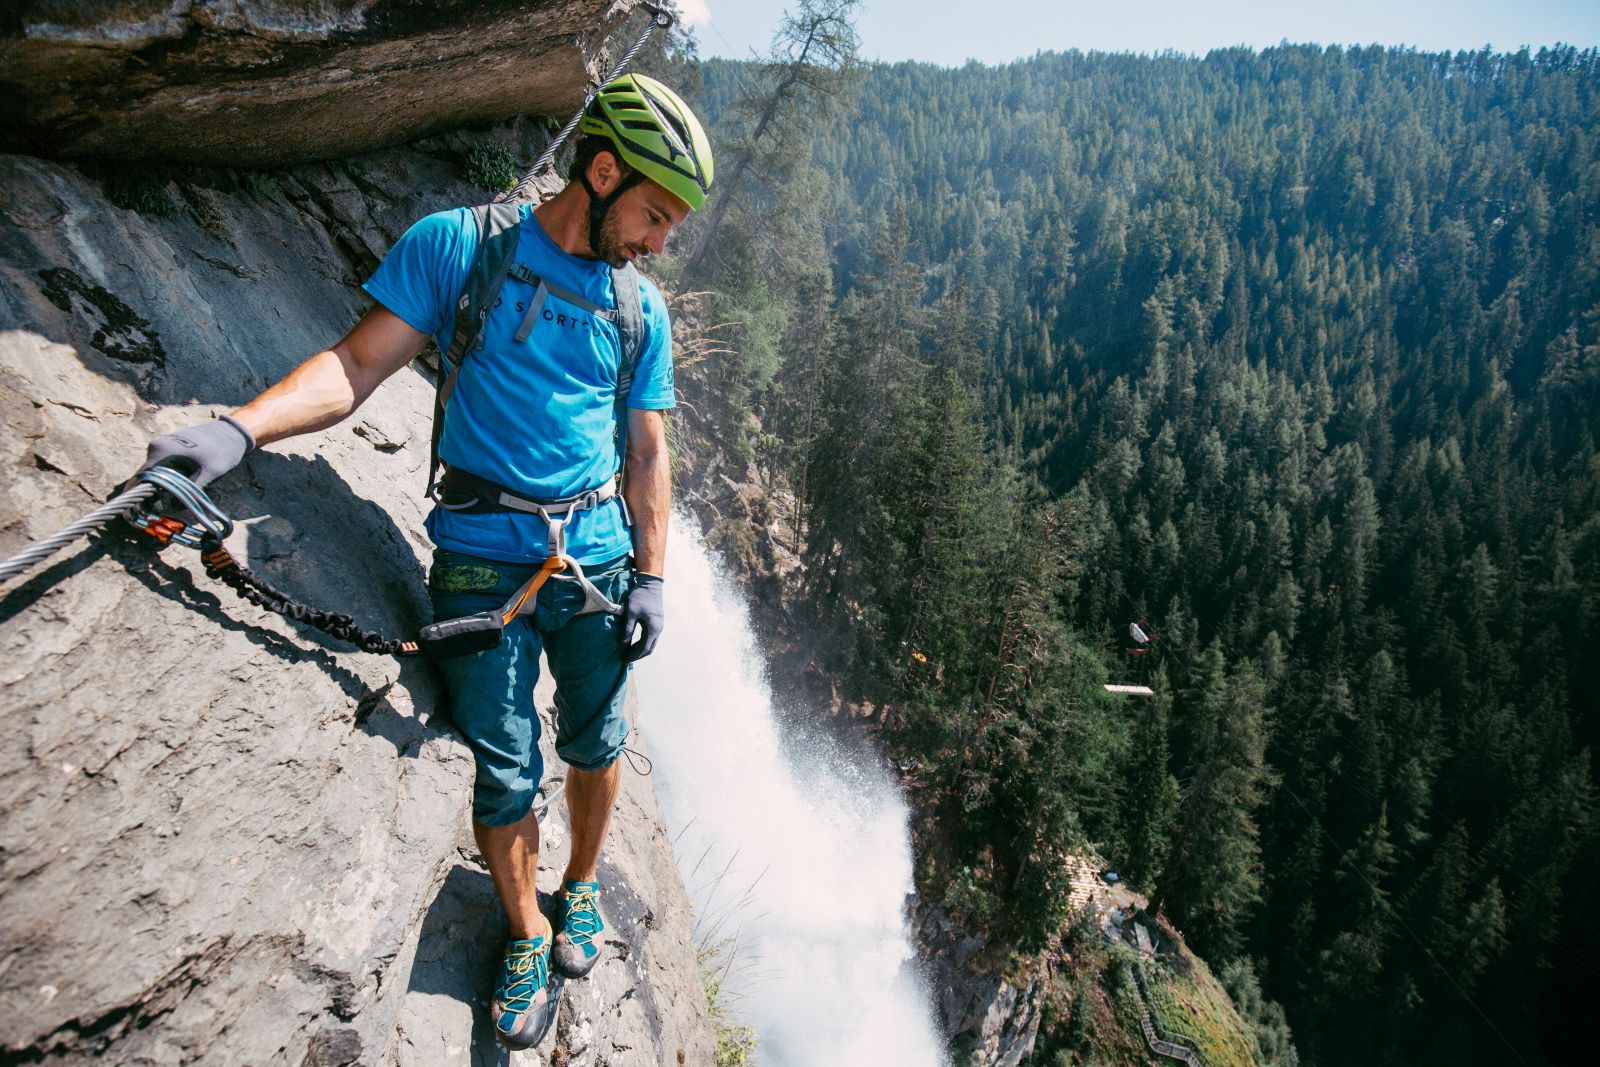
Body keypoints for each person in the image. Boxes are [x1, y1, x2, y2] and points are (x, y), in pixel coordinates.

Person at [137, 74, 713, 1049]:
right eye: (655, 215)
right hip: (483, 563)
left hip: (597, 562)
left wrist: (651, 575)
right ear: (604, 171)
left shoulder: (638, 308)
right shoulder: (461, 247)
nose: (659, 242)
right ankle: (526, 927)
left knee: (598, 742)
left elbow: (648, 450)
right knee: (504, 765)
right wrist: (238, 431)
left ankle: (578, 888)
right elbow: (358, 365)